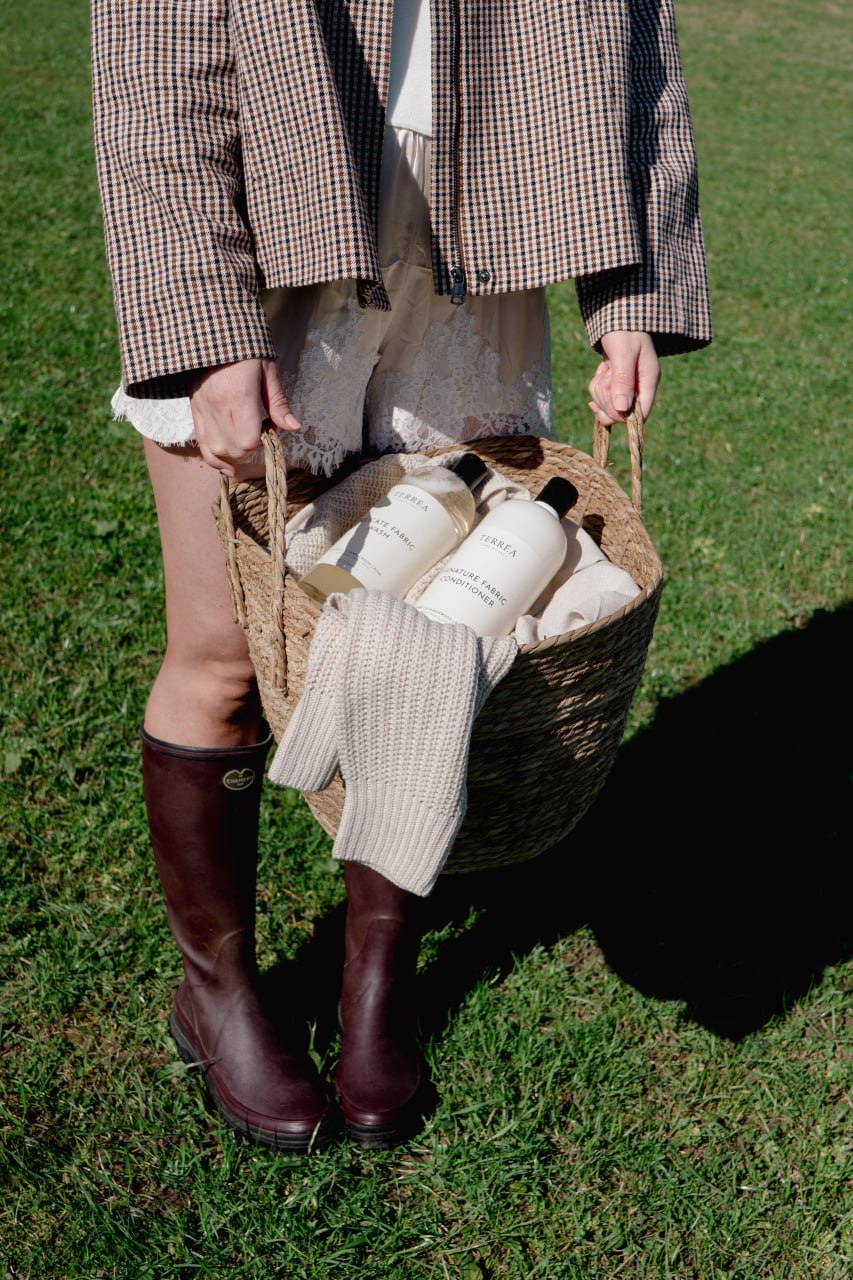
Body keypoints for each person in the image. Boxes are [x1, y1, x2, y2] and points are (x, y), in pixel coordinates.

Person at [90, 0, 711, 1152]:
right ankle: (216, 991)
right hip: (269, 201)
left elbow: (637, 44)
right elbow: (151, 61)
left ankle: (373, 976)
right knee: (228, 650)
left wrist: (632, 288)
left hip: (493, 215)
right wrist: (205, 323)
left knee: (438, 623)